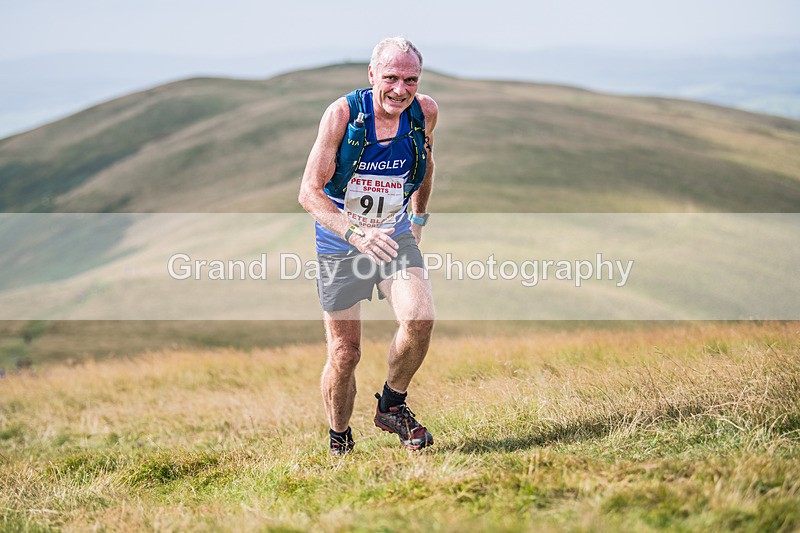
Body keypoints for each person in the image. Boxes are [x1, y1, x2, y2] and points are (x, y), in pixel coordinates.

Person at [298, 36, 438, 454]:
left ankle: (392, 406)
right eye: (391, 77)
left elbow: (427, 163)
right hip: (341, 242)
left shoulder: (424, 112)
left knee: (420, 318)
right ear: (372, 74)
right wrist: (355, 233)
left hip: (392, 234)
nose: (400, 89)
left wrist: (417, 218)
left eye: (410, 79)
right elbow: (309, 192)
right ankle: (340, 438)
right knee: (345, 353)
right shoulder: (343, 114)